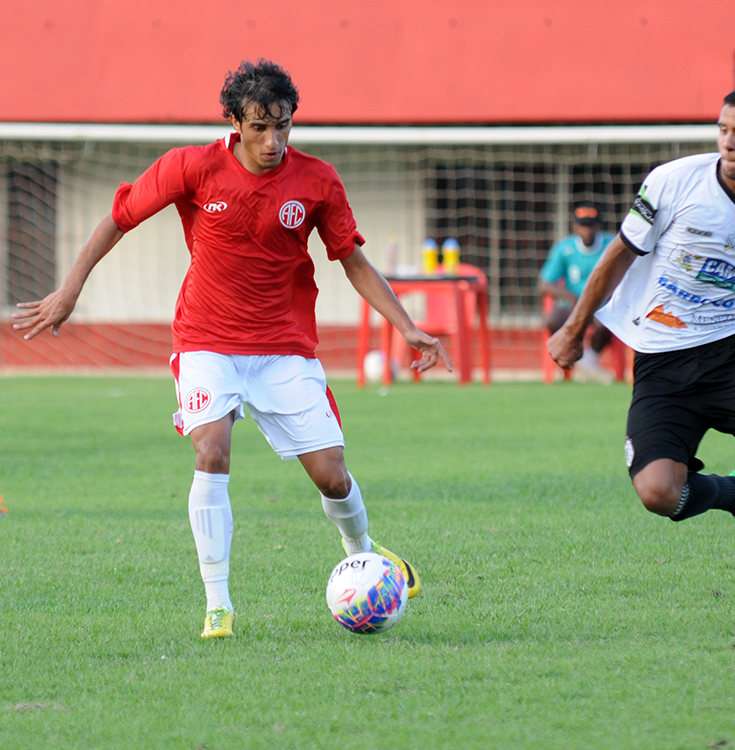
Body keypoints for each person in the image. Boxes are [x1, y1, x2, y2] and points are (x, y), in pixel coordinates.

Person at [12, 59, 451, 639]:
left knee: (332, 477)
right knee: (212, 451)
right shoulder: (191, 167)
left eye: (283, 126)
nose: (272, 141)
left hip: (284, 349)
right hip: (207, 342)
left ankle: (364, 554)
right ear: (236, 123)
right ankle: (218, 604)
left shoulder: (318, 181)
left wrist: (406, 326)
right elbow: (118, 218)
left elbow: (353, 261)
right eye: (260, 128)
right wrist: (70, 290)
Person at [547, 84, 735, 630]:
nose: (728, 143)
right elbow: (616, 257)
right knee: (657, 493)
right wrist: (575, 329)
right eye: (723, 130)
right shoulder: (673, 181)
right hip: (661, 361)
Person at [538, 201, 616, 383]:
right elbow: (544, 284)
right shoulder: (564, 248)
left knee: (608, 320)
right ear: (574, 227)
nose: (586, 231)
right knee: (554, 319)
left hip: (603, 305)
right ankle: (583, 362)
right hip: (574, 305)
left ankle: (590, 360)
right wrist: (570, 296)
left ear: (598, 226)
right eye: (582, 226)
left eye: (591, 226)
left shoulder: (612, 244)